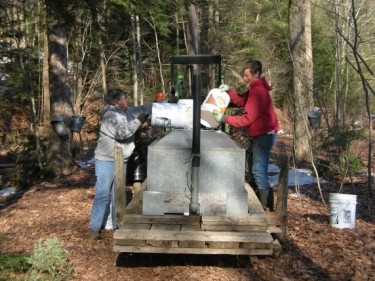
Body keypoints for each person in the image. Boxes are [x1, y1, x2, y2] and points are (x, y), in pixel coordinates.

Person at [214, 59, 279, 211]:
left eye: (247, 75)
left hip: (265, 135)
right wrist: (230, 91)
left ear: (257, 73)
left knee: (258, 171)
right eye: (243, 75)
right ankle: (259, 203)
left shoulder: (258, 91)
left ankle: (265, 208)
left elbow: (247, 118)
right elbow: (242, 101)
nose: (244, 78)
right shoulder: (254, 89)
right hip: (260, 134)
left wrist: (225, 118)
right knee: (251, 169)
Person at [89, 88, 151, 240]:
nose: (127, 101)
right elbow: (122, 133)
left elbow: (141, 109)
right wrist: (139, 121)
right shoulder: (109, 117)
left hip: (121, 160)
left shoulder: (125, 112)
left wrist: (161, 104)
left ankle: (117, 224)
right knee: (103, 194)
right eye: (124, 99)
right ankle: (94, 229)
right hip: (106, 161)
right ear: (116, 102)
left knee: (118, 194)